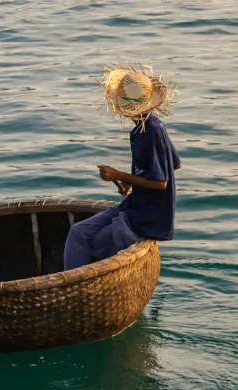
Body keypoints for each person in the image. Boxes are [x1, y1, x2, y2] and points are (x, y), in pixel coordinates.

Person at [64, 65, 181, 271]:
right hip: (132, 207)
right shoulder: (149, 126)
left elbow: (161, 183)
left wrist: (117, 174)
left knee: (93, 244)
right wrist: (129, 182)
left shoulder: (151, 132)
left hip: (145, 219)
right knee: (78, 232)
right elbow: (175, 164)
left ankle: (78, 287)